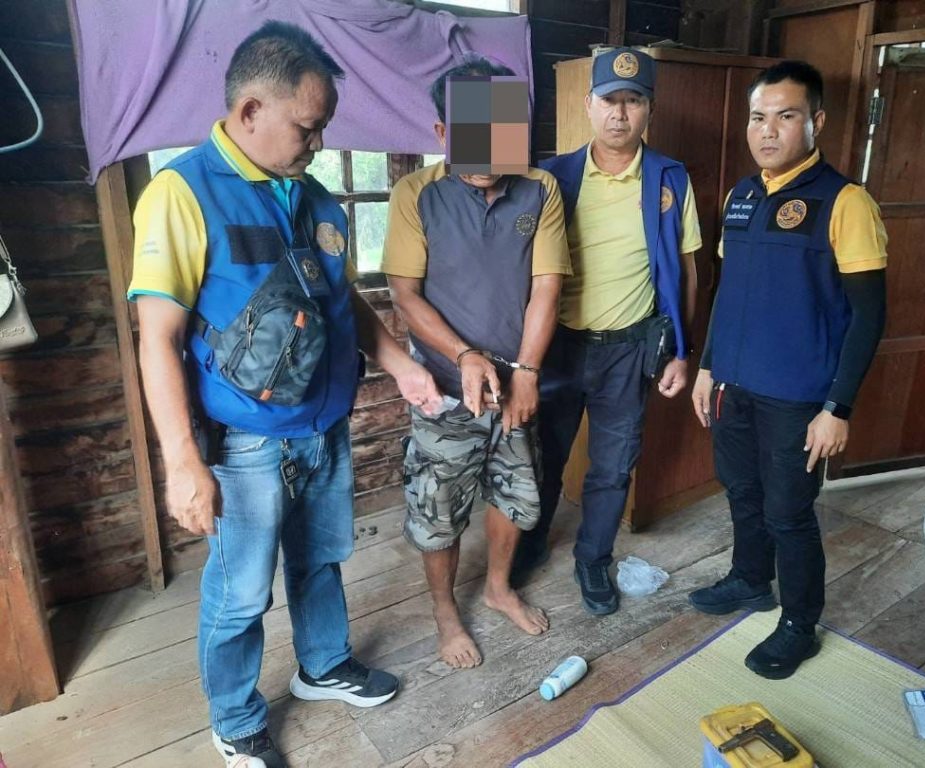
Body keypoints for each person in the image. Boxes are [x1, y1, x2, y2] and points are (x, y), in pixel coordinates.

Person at [128, 21, 441, 767]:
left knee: (321, 558)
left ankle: (322, 665)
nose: (318, 143)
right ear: (250, 112)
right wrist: (182, 463)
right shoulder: (183, 193)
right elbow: (157, 337)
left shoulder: (316, 199)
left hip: (323, 424)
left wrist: (400, 365)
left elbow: (342, 300)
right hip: (246, 441)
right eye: (307, 127)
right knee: (240, 592)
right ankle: (235, 720)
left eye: (323, 127)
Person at [688, 60, 888, 680]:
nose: (767, 131)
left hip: (798, 398)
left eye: (785, 116)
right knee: (742, 492)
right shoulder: (742, 196)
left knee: (788, 514)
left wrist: (838, 408)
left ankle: (800, 624)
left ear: (815, 121)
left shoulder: (845, 202)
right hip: (734, 384)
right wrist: (708, 367)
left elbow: (869, 316)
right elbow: (727, 293)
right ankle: (750, 579)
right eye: (758, 117)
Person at [382, 59, 572, 669]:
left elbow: (546, 287)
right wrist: (462, 355)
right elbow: (405, 294)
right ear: (444, 132)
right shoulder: (416, 194)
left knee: (516, 495)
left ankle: (497, 587)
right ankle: (445, 613)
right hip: (444, 390)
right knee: (438, 511)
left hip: (515, 384)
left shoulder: (539, 189)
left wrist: (527, 372)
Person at [512, 47, 701, 616]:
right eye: (609, 100)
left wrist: (682, 350)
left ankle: (593, 558)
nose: (620, 113)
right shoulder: (553, 176)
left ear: (649, 110)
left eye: (633, 101)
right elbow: (516, 261)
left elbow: (688, 269)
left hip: (629, 350)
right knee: (544, 456)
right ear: (588, 106)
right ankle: (531, 542)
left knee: (614, 466)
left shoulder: (670, 178)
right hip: (560, 346)